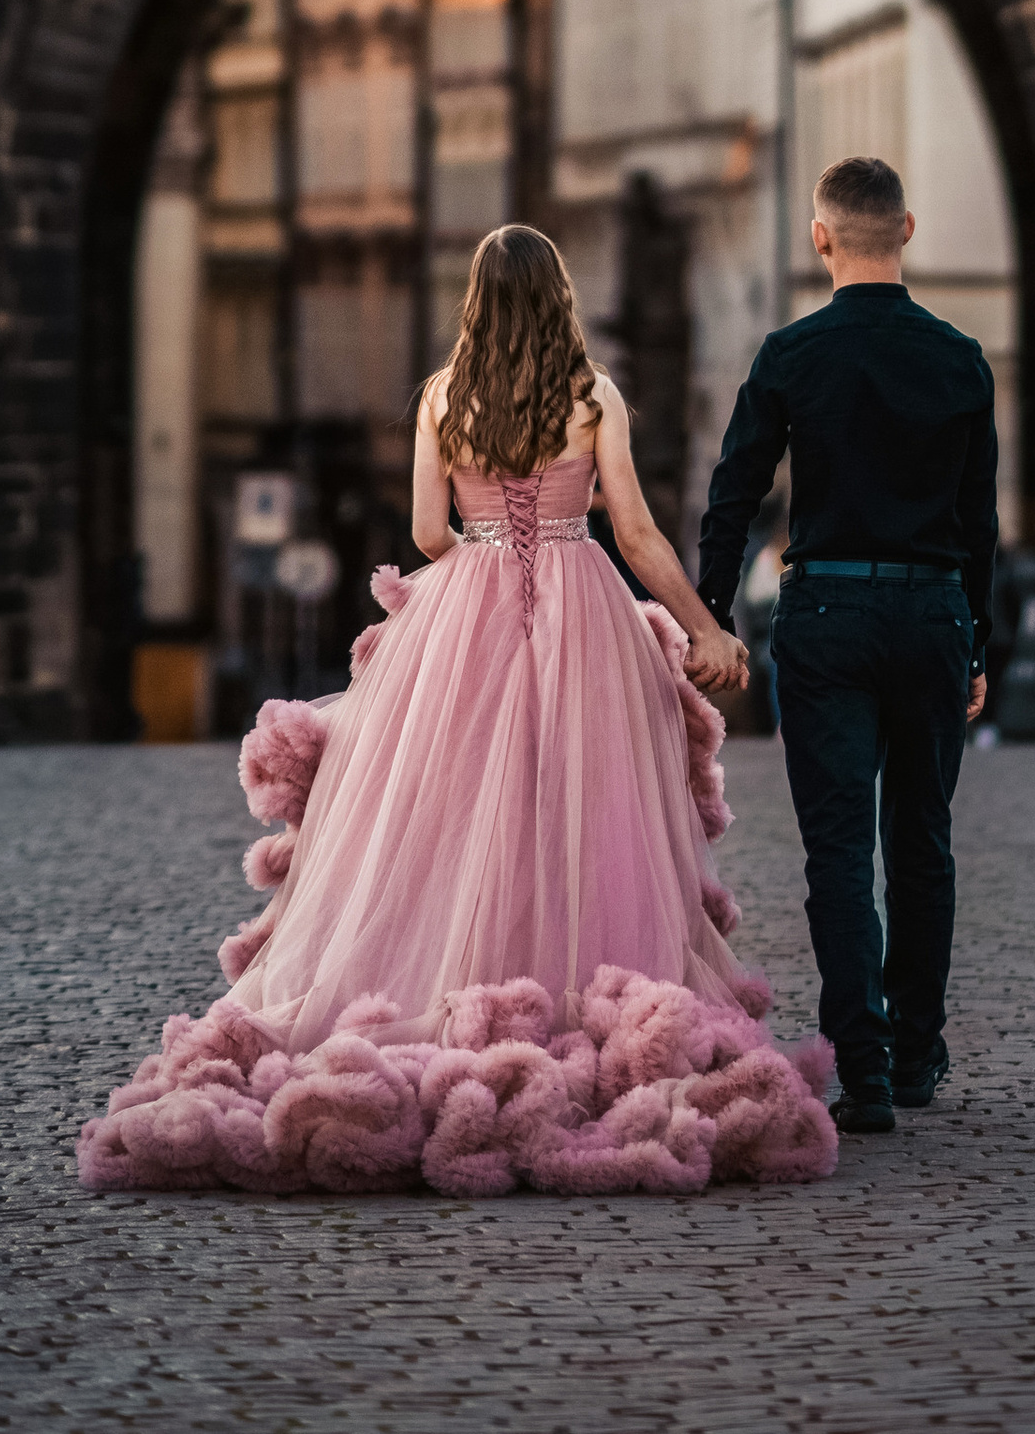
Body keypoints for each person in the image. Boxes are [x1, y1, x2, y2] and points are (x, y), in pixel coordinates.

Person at [79, 224, 837, 1198]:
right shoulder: (592, 395)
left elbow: (425, 531)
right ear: (559, 298)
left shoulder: (443, 398)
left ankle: (451, 984)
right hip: (581, 602)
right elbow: (639, 534)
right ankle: (570, 984)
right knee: (577, 808)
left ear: (475, 303)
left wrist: (480, 557)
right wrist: (703, 629)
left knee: (446, 814)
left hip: (462, 605)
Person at [698, 153, 997, 1136]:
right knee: (922, 841)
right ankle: (915, 1051)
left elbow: (734, 492)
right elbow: (977, 522)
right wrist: (980, 645)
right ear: (905, 232)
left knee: (837, 851)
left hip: (826, 613)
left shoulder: (791, 355)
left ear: (821, 238)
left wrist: (710, 613)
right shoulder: (959, 359)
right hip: (931, 614)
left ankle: (860, 1068)